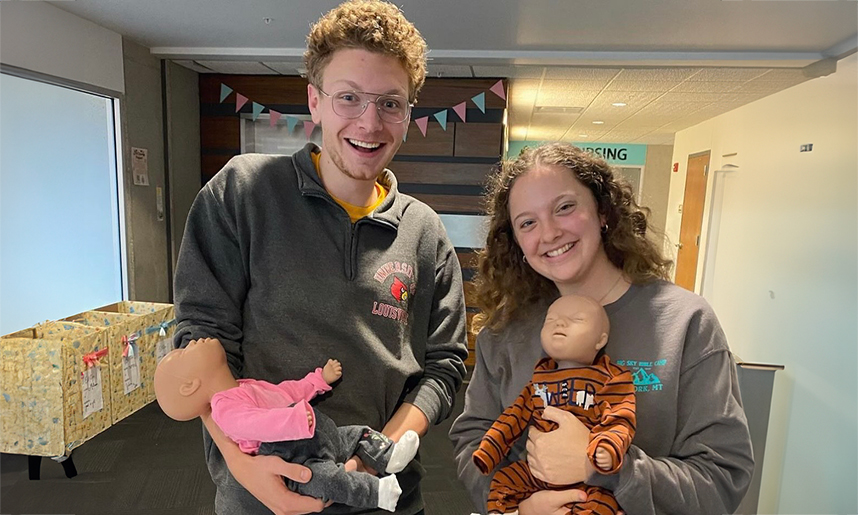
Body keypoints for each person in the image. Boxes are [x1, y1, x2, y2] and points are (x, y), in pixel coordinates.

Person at [172, 1, 468, 514]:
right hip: (261, 493)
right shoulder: (243, 192)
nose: (370, 123)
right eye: (348, 98)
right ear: (315, 101)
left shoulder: (424, 231)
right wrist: (245, 466)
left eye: (390, 103)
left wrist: (381, 455)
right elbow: (201, 344)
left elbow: (444, 366)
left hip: (388, 495)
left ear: (408, 113)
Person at [449, 142, 754, 515]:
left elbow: (722, 478)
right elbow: (473, 438)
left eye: (564, 208)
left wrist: (606, 467)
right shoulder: (506, 329)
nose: (549, 233)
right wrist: (516, 509)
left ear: (603, 212)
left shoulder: (684, 322)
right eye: (527, 222)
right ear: (516, 242)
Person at [154, 338, 420, 512]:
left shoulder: (245, 386)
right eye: (183, 353)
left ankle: (390, 456)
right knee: (332, 482)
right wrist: (290, 420)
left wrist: (318, 380)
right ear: (190, 386)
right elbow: (255, 425)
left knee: (359, 434)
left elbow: (285, 392)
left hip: (320, 436)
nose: (191, 342)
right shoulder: (224, 410)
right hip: (296, 459)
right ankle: (379, 494)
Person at [472, 295, 635, 515]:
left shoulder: (610, 378)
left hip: (590, 483)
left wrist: (608, 446)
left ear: (600, 340)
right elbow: (513, 417)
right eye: (551, 320)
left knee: (601, 504)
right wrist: (489, 449)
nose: (559, 323)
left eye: (576, 319)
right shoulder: (539, 379)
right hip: (534, 473)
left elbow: (619, 417)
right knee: (503, 483)